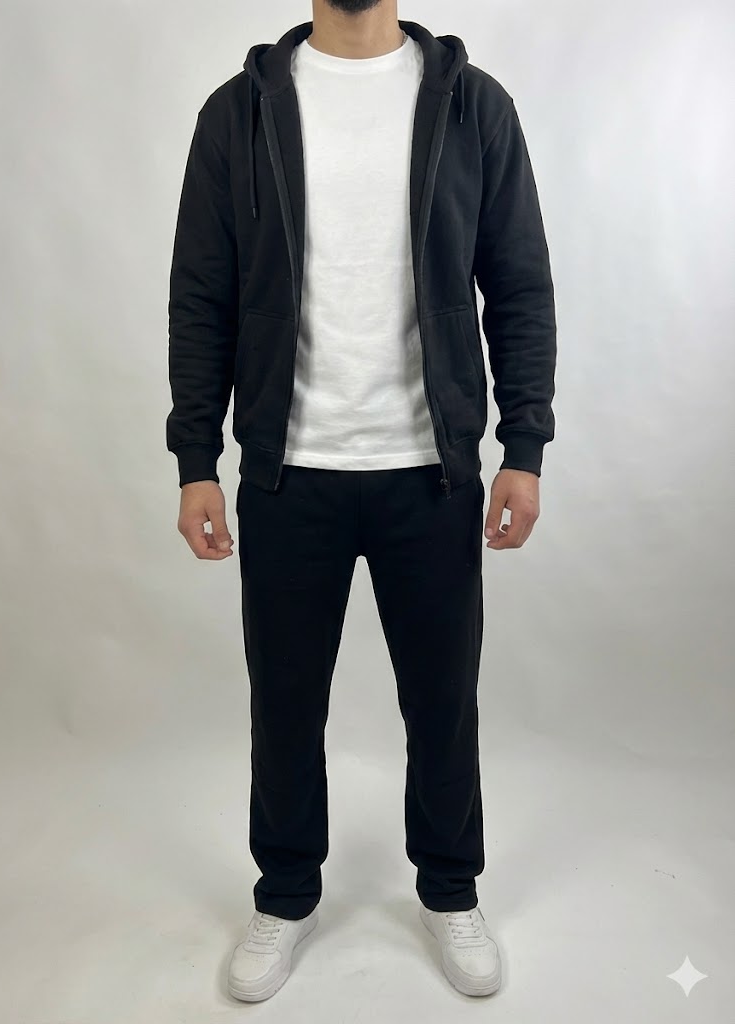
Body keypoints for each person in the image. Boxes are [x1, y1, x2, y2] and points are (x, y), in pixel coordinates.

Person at [166, 0, 556, 1003]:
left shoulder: (471, 106)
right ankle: (285, 894)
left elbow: (517, 282)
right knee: (285, 705)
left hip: (430, 470)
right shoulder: (238, 113)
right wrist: (197, 458)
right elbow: (201, 292)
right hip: (288, 471)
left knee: (443, 702)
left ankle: (450, 889)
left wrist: (524, 445)